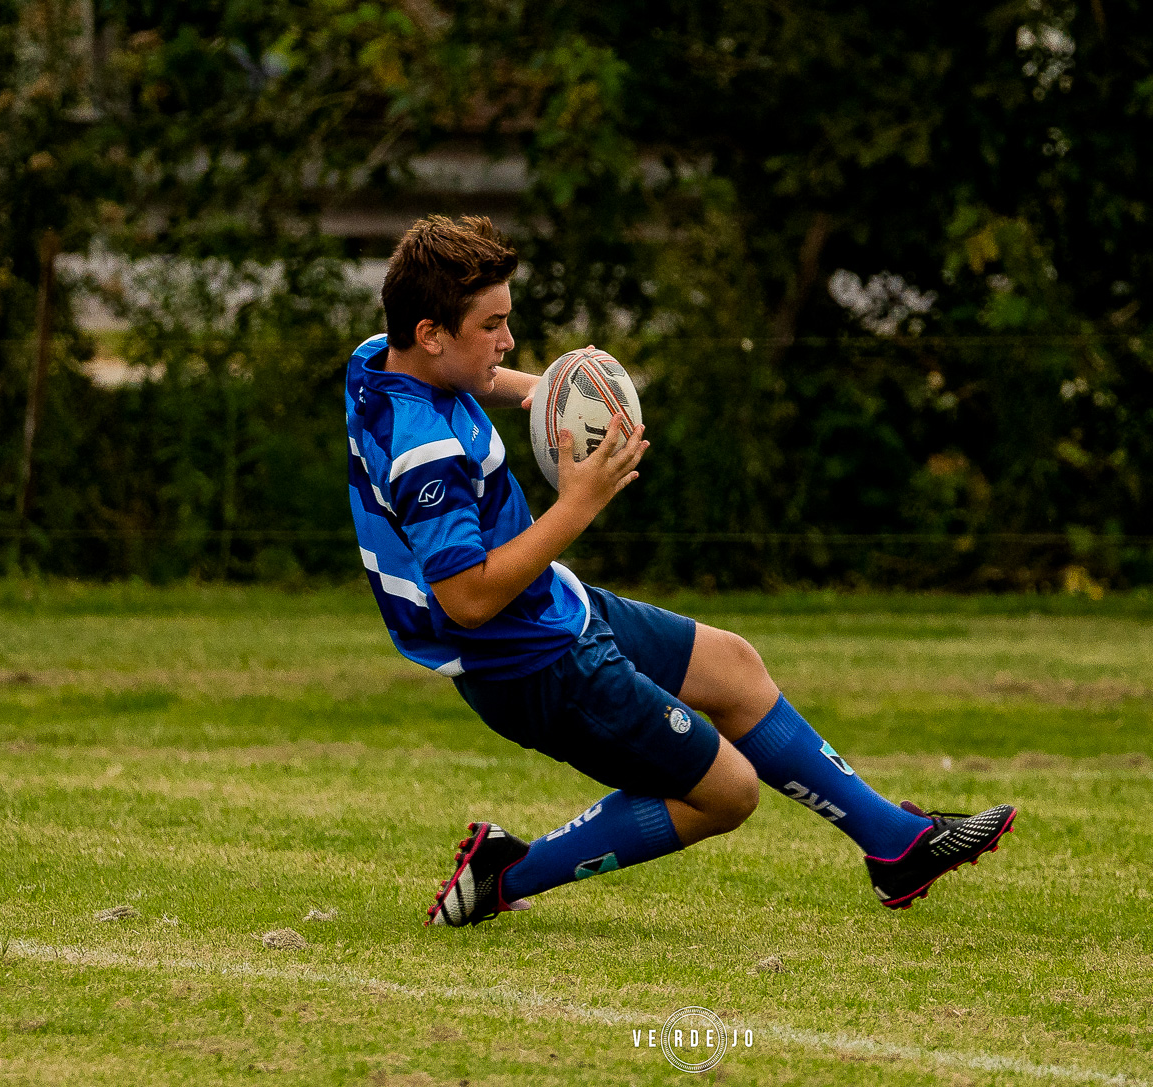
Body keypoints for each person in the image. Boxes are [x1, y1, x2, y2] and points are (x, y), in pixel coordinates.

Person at [346, 214, 1017, 928]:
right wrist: (578, 504)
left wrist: (555, 389)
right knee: (727, 792)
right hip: (529, 662)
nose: (507, 340)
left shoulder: (376, 360)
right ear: (431, 332)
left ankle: (896, 845)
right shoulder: (425, 455)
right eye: (493, 326)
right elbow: (469, 598)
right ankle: (506, 874)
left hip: (549, 608)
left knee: (734, 666)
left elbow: (466, 377)